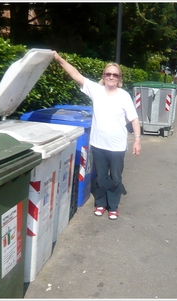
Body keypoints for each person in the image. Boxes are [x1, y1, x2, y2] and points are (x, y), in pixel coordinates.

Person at [53, 51, 141, 220]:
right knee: (100, 177)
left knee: (115, 178)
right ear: (103, 76)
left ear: (119, 78)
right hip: (98, 145)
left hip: (117, 146)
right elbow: (76, 75)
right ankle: (100, 203)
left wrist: (137, 140)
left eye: (115, 75)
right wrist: (58, 58)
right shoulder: (96, 90)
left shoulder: (124, 96)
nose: (111, 77)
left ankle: (113, 206)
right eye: (108, 74)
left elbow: (134, 119)